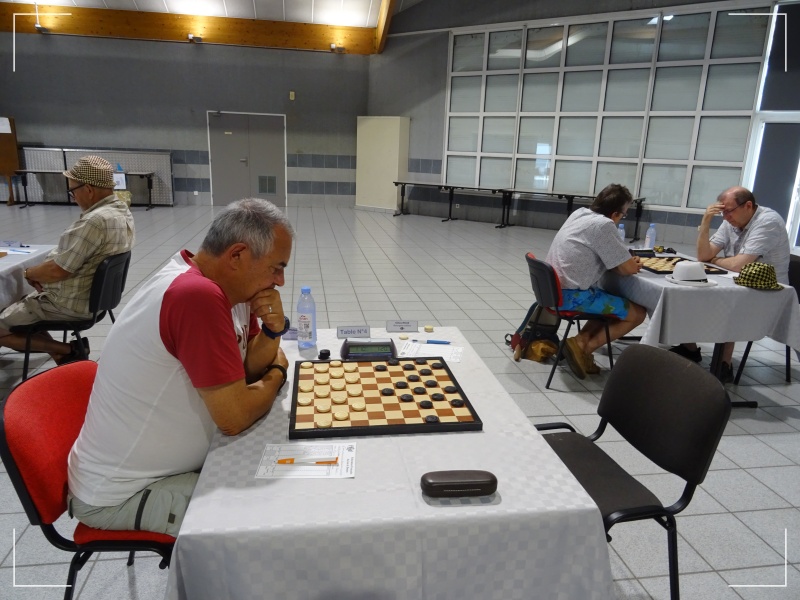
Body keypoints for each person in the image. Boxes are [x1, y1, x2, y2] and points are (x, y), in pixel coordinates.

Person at [67, 198, 294, 537]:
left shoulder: (228, 290)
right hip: (122, 492)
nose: (280, 281)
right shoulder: (195, 295)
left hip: (166, 469)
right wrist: (277, 375)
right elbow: (234, 417)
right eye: (276, 267)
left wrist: (272, 331)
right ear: (237, 255)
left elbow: (246, 372)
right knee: (275, 520)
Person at [0, 156, 134, 365]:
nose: (73, 198)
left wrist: (29, 273)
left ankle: (70, 349)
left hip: (70, 304)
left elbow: (58, 270)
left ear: (88, 189)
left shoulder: (95, 221)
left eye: (72, 191)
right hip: (97, 301)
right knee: (25, 304)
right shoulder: (121, 212)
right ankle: (59, 354)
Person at [670, 186, 791, 381]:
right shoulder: (731, 220)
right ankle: (689, 348)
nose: (725, 217)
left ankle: (723, 365)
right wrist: (706, 221)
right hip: (736, 282)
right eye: (722, 212)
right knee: (686, 291)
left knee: (728, 303)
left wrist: (715, 260)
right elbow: (703, 255)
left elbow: (738, 265)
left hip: (768, 291)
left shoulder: (768, 222)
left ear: (748, 206)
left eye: (729, 211)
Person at [545, 184, 646, 379]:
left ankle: (580, 341)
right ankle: (583, 348)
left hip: (554, 292)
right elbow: (627, 269)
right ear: (615, 214)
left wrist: (623, 262)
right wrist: (632, 263)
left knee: (610, 301)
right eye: (624, 214)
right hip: (571, 297)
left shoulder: (580, 214)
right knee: (637, 314)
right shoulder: (604, 225)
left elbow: (611, 260)